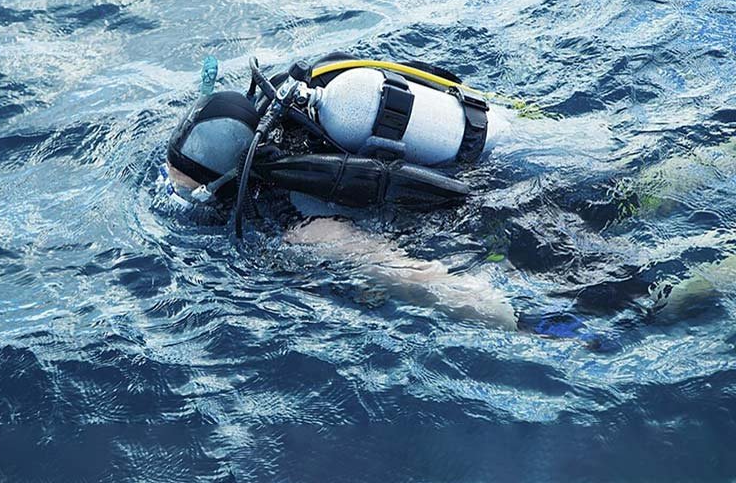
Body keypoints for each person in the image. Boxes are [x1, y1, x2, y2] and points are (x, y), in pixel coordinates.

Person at [159, 53, 599, 332]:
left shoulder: (300, 228)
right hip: (507, 139)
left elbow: (419, 278)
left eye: (192, 191)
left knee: (610, 293)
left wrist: (523, 324)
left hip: (496, 206)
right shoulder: (301, 106)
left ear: (227, 181)